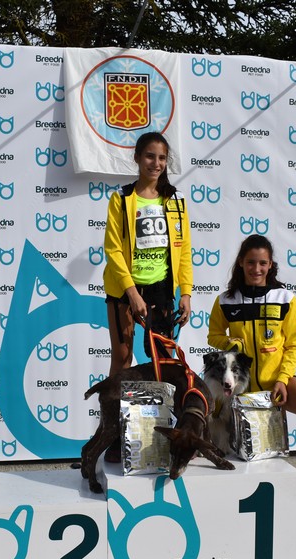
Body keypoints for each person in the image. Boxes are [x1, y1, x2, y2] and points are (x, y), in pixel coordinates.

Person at [207, 234, 296, 506]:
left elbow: (295, 344)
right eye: (251, 262)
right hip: (241, 385)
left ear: (271, 265)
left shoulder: (284, 298)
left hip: (276, 381)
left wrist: (284, 379)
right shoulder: (226, 300)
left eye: (263, 263)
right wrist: (229, 342)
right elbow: (213, 335)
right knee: (213, 423)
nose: (256, 269)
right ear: (241, 263)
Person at [101, 132, 193, 461]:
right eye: (150, 156)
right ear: (138, 158)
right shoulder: (122, 199)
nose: (156, 163)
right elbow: (113, 248)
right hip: (124, 290)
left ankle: (165, 434)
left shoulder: (175, 201)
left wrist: (186, 292)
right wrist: (130, 291)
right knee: (122, 359)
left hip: (162, 289)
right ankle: (113, 434)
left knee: (163, 363)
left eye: (162, 158)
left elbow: (183, 252)